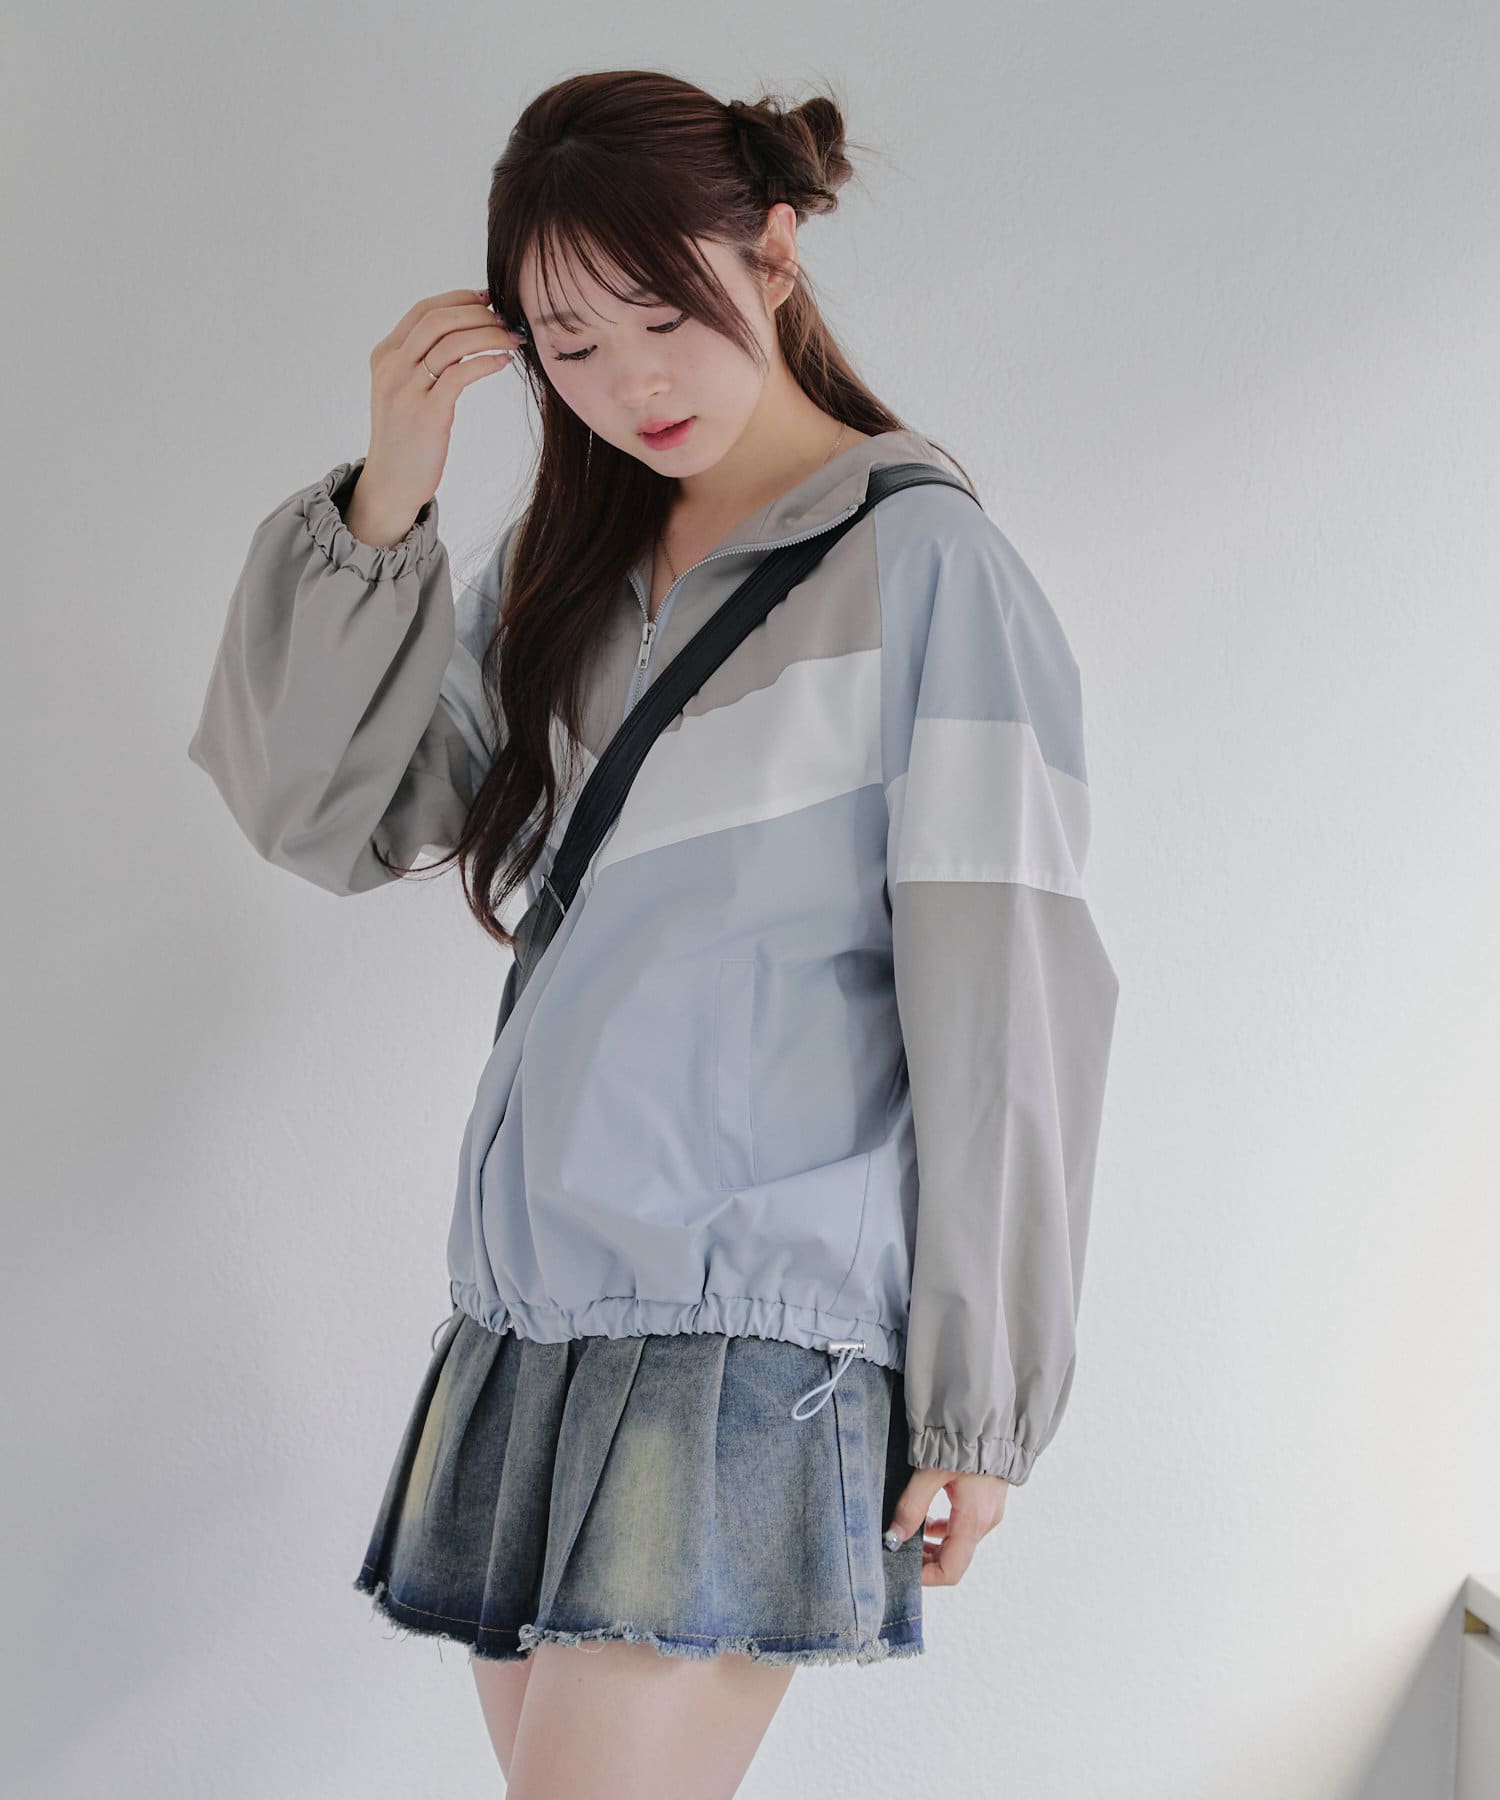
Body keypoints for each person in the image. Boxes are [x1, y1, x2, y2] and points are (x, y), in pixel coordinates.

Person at [186, 68, 1120, 1800]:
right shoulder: (567, 577)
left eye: (662, 316)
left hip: (750, 1333)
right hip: (536, 1318)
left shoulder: (926, 572)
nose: (632, 383)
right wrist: (388, 496)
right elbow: (325, 815)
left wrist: (981, 1403)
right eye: (570, 343)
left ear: (774, 253)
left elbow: (1011, 1006)